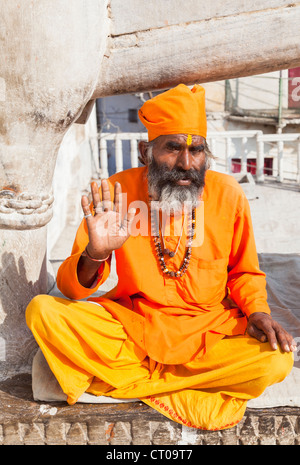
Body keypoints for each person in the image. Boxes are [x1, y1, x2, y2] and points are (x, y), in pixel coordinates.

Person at [26, 84, 295, 431]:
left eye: (196, 150)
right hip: (135, 326)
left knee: (276, 363)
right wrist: (96, 252)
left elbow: (245, 273)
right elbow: (72, 289)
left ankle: (118, 381)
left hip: (209, 332)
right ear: (145, 151)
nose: (186, 163)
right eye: (173, 148)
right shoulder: (117, 191)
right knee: (43, 312)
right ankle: (185, 385)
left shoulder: (228, 195)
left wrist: (258, 312)